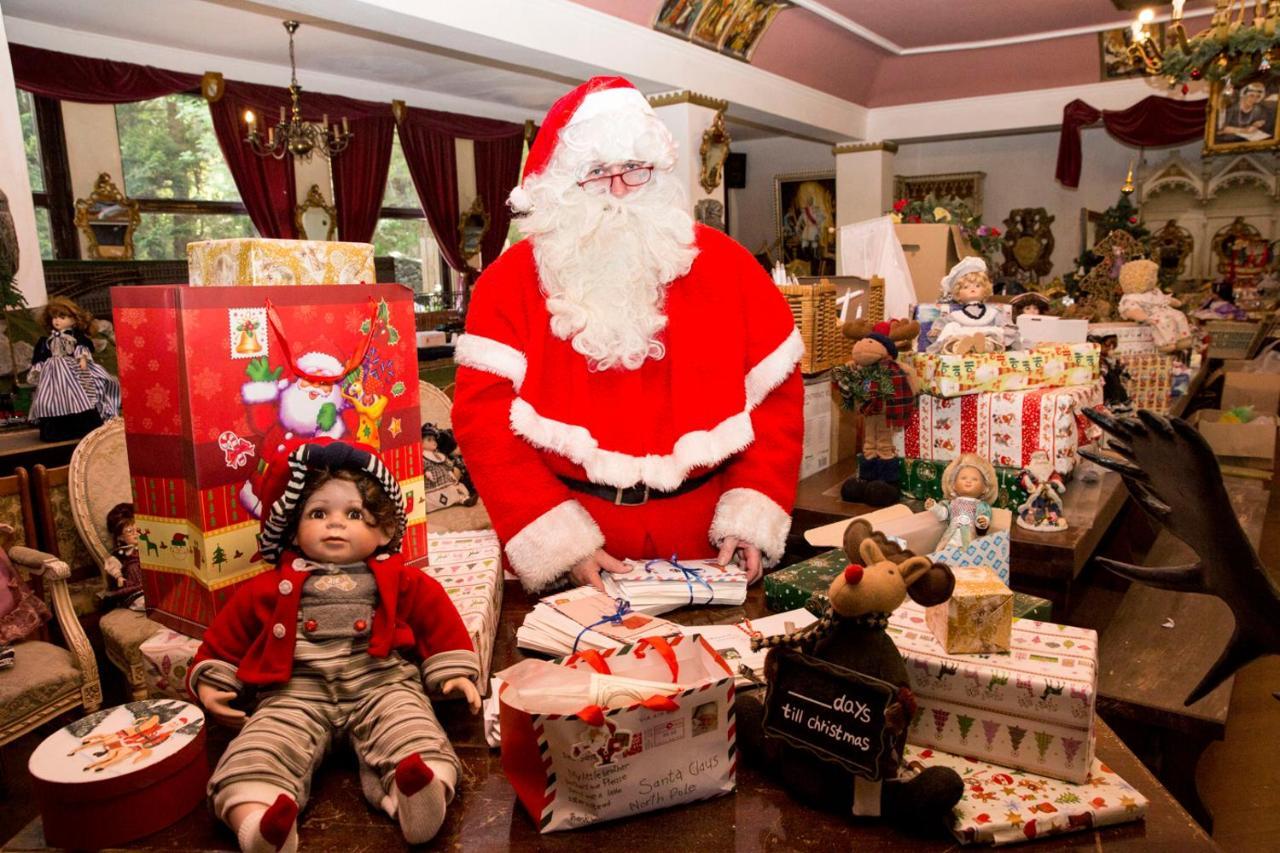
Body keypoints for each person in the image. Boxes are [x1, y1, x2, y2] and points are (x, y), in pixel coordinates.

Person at [452, 76, 802, 595]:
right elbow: (485, 424)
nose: (617, 190)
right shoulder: (508, 283)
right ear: (561, 184)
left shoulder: (730, 267)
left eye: (633, 169)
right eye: (596, 173)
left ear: (656, 172)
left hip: (707, 542)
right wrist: (563, 544)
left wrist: (749, 516)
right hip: (576, 542)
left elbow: (775, 400)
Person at [189, 440, 480, 852]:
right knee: (260, 747)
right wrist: (212, 678)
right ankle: (258, 823)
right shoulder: (268, 587)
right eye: (318, 513)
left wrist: (453, 672)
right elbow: (228, 634)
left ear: (385, 529)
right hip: (294, 692)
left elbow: (438, 621)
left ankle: (416, 796)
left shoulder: (403, 580)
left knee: (413, 729)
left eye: (355, 513)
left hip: (381, 683)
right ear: (292, 526)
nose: (335, 524)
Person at [27, 296, 120, 442]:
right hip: (52, 375)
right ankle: (55, 430)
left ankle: (84, 426)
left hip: (72, 370)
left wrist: (82, 359)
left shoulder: (76, 337)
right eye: (54, 318)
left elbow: (81, 349)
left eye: (62, 317)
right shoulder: (45, 341)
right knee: (49, 399)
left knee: (79, 396)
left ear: (74, 319)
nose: (57, 321)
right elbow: (41, 357)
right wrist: (38, 370)